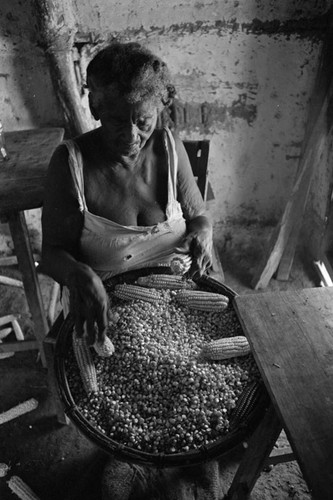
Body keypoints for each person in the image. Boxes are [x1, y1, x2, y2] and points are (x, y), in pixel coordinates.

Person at [41, 41, 213, 345]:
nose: (132, 135)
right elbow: (52, 254)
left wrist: (202, 232)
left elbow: (198, 215)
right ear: (96, 108)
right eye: (118, 121)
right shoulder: (71, 164)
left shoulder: (168, 148)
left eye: (143, 121)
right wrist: (77, 273)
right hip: (105, 308)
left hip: (176, 299)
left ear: (159, 110)